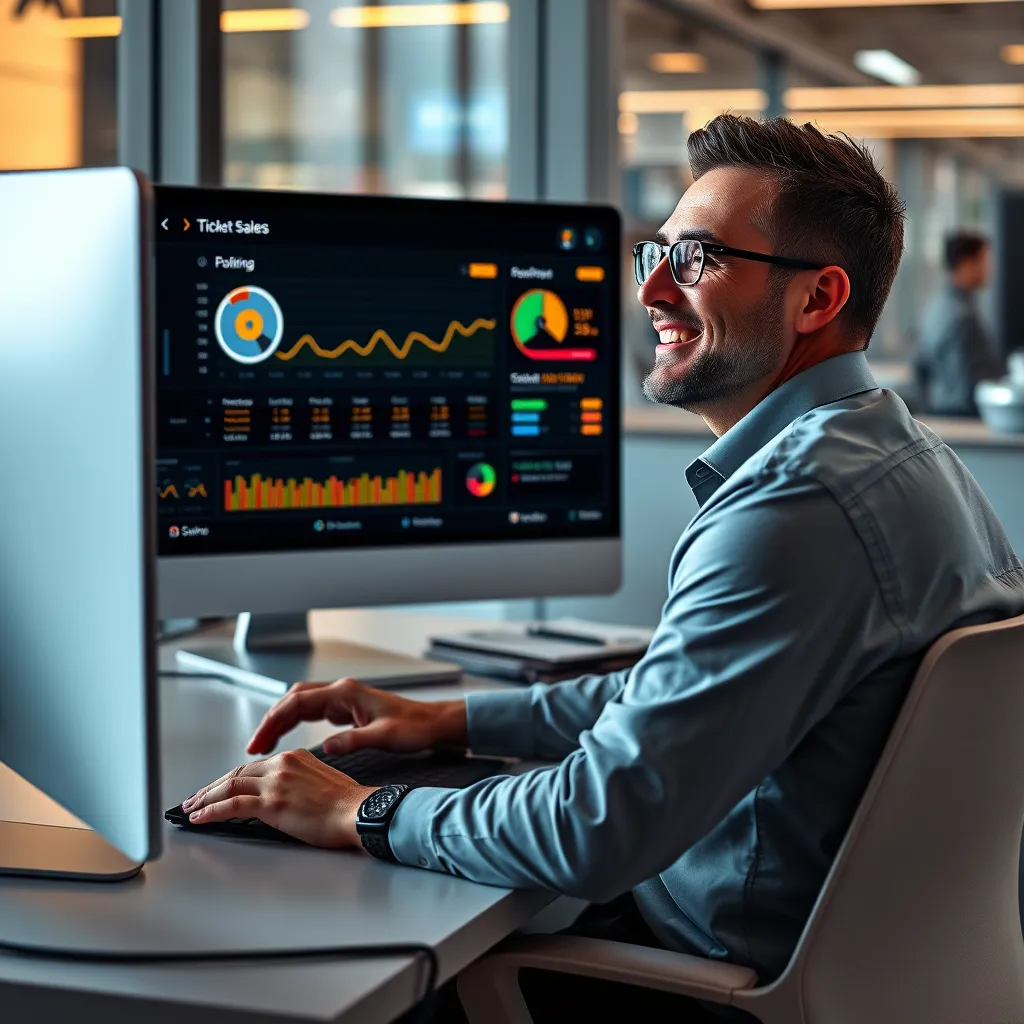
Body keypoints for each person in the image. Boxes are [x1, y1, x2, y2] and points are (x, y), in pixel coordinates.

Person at [181, 116, 1024, 1023]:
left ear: (817, 299)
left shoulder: (795, 509)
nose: (652, 287)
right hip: (849, 969)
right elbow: (686, 698)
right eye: (655, 253)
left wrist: (361, 812)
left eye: (696, 259)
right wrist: (450, 719)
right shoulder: (896, 456)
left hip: (716, 985)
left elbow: (598, 823)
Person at [914, 230, 1002, 416]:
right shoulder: (963, 317)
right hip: (960, 416)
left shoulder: (938, 305)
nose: (989, 269)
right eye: (984, 261)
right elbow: (970, 388)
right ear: (966, 264)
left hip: (939, 409)